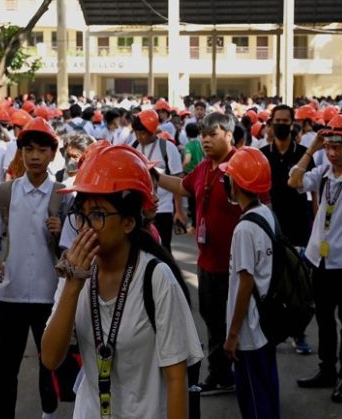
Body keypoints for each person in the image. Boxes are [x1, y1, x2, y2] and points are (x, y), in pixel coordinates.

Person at [41, 144, 202, 419]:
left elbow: (176, 378)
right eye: (81, 215)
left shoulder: (156, 278)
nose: (86, 227)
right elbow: (50, 358)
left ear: (128, 223)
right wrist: (73, 285)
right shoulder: (75, 274)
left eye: (98, 215)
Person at [0, 118, 72, 419]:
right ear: (20, 152)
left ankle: (49, 412)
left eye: (42, 150)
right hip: (12, 293)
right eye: (28, 149)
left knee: (50, 361)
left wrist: (61, 230)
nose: (34, 156)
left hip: (50, 295)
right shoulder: (7, 192)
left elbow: (74, 245)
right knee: (7, 365)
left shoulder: (63, 195)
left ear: (52, 154)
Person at [288, 116, 342, 403]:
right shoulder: (323, 171)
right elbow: (293, 181)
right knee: (324, 319)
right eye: (329, 147)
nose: (332, 153)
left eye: (338, 147)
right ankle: (327, 370)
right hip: (320, 260)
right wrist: (312, 148)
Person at [155, 113, 242, 395]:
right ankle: (221, 374)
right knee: (213, 321)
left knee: (239, 325)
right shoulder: (204, 167)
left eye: (212, 134)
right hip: (206, 262)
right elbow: (182, 187)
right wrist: (155, 177)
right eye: (203, 134)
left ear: (229, 135)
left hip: (236, 265)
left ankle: (245, 376)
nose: (205, 140)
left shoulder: (240, 165)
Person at [221, 147, 280, 419]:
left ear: (236, 184)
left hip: (250, 329)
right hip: (267, 321)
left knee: (253, 398)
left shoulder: (244, 229)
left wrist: (232, 336)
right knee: (267, 388)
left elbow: (245, 284)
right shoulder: (266, 213)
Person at [259, 104, 313, 354]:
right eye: (277, 121)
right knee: (270, 284)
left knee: (299, 284)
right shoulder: (261, 155)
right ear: (270, 124)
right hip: (270, 227)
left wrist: (315, 226)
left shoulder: (304, 154)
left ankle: (299, 334)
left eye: (285, 121)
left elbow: (314, 194)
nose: (281, 124)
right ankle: (272, 332)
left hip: (299, 227)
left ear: (292, 124)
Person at [132, 109, 185, 253]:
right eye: (136, 133)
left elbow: (178, 181)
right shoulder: (134, 147)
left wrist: (179, 211)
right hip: (140, 210)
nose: (139, 137)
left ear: (152, 131)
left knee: (163, 249)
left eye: (143, 133)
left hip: (163, 208)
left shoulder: (168, 148)